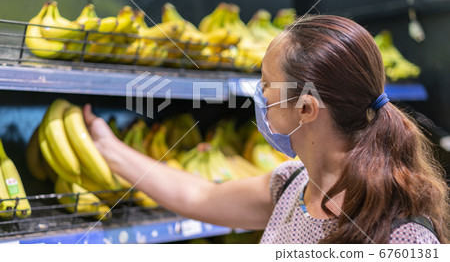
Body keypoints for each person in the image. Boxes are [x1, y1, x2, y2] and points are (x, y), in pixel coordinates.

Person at [83, 15, 449, 244]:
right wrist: (106, 144)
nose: (258, 96)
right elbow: (198, 197)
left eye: (266, 84)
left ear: (305, 108)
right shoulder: (292, 183)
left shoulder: (402, 232)